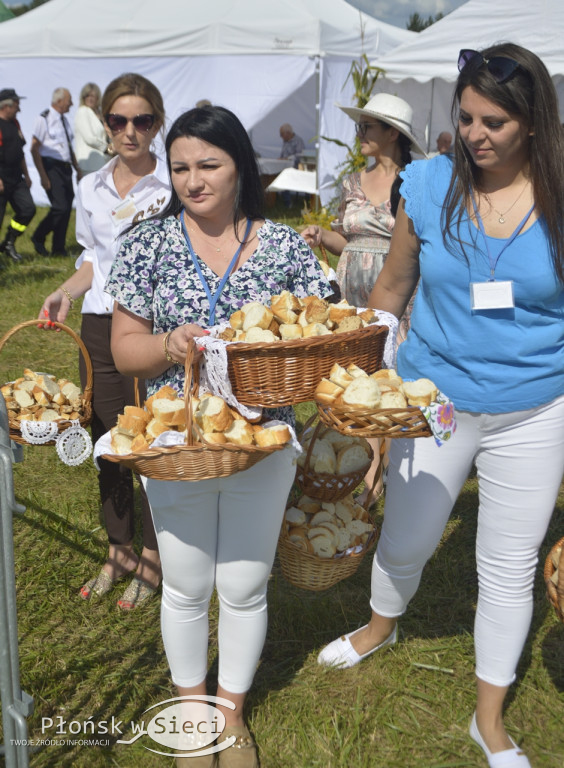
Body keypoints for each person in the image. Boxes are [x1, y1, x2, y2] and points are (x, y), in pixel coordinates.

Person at [317, 43, 564, 768]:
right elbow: (391, 289)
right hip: (434, 401)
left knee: (510, 564)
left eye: (496, 122)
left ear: (533, 122)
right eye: (466, 118)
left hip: (537, 407)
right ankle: (379, 625)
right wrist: (375, 393)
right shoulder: (427, 185)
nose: (477, 135)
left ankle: (488, 719)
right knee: (408, 540)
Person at [105, 104, 333, 767]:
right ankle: (190, 711)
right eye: (179, 167)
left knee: (244, 583)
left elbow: (318, 335)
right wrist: (165, 342)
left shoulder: (286, 247)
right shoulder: (146, 242)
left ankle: (229, 717)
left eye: (209, 165)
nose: (192, 180)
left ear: (241, 167)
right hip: (176, 442)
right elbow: (123, 350)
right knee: (183, 582)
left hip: (263, 440)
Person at [39, 73, 171, 610]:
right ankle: (118, 548)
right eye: (118, 120)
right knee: (108, 442)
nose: (130, 131)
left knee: (157, 443)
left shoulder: (173, 186)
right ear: (105, 123)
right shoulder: (90, 186)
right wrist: (64, 291)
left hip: (153, 329)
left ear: (157, 123)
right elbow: (93, 260)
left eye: (142, 121)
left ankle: (155, 554)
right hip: (98, 328)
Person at [301, 92, 426, 506]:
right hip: (351, 292)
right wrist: (322, 236)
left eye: (366, 127)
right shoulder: (352, 182)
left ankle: (384, 469)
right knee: (359, 375)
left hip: (399, 290)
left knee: (390, 372)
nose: (359, 135)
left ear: (392, 133)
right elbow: (348, 241)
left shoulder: (415, 183)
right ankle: (369, 467)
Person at [30, 87, 83, 257]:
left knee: (67, 207)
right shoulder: (44, 118)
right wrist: (43, 175)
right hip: (51, 167)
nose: (71, 104)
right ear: (59, 101)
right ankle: (38, 236)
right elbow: (34, 148)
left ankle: (58, 249)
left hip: (65, 167)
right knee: (60, 207)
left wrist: (77, 168)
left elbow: (69, 147)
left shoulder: (65, 120)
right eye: (69, 100)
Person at [0, 87, 35, 265]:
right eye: (16, 105)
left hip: (16, 178)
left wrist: (27, 175)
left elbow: (20, 152)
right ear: (6, 106)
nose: (19, 109)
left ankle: (9, 241)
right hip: (1, 179)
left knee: (28, 209)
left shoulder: (15, 123)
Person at [74, 82, 110, 174]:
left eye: (92, 96)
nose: (89, 98)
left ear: (98, 97)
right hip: (89, 165)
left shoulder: (101, 113)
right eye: (87, 96)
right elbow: (89, 138)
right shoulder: (83, 111)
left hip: (103, 163)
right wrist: (108, 148)